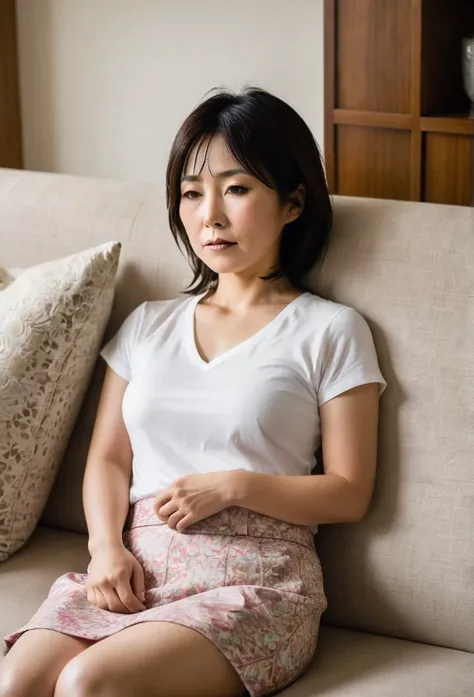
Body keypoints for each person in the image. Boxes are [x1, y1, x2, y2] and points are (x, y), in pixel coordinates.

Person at [0, 87, 386, 697]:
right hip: (137, 568)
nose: (210, 215)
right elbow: (107, 459)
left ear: (293, 203)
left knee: (89, 685)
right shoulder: (148, 325)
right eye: (191, 192)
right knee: (17, 679)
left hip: (258, 580)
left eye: (236, 189)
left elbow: (350, 493)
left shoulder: (331, 330)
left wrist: (235, 486)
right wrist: (105, 548)